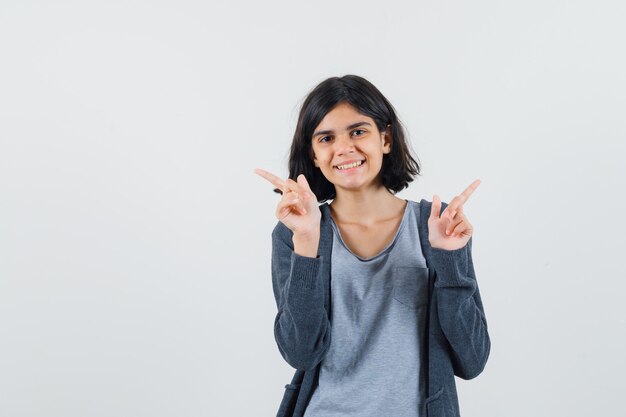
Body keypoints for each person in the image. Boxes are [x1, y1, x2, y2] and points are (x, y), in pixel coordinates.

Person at [255, 74, 490, 417]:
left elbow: (472, 360)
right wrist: (306, 242)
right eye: (326, 138)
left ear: (386, 138)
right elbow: (300, 352)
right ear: (314, 155)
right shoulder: (296, 233)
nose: (344, 148)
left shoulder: (436, 227)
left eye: (358, 131)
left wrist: (449, 259)